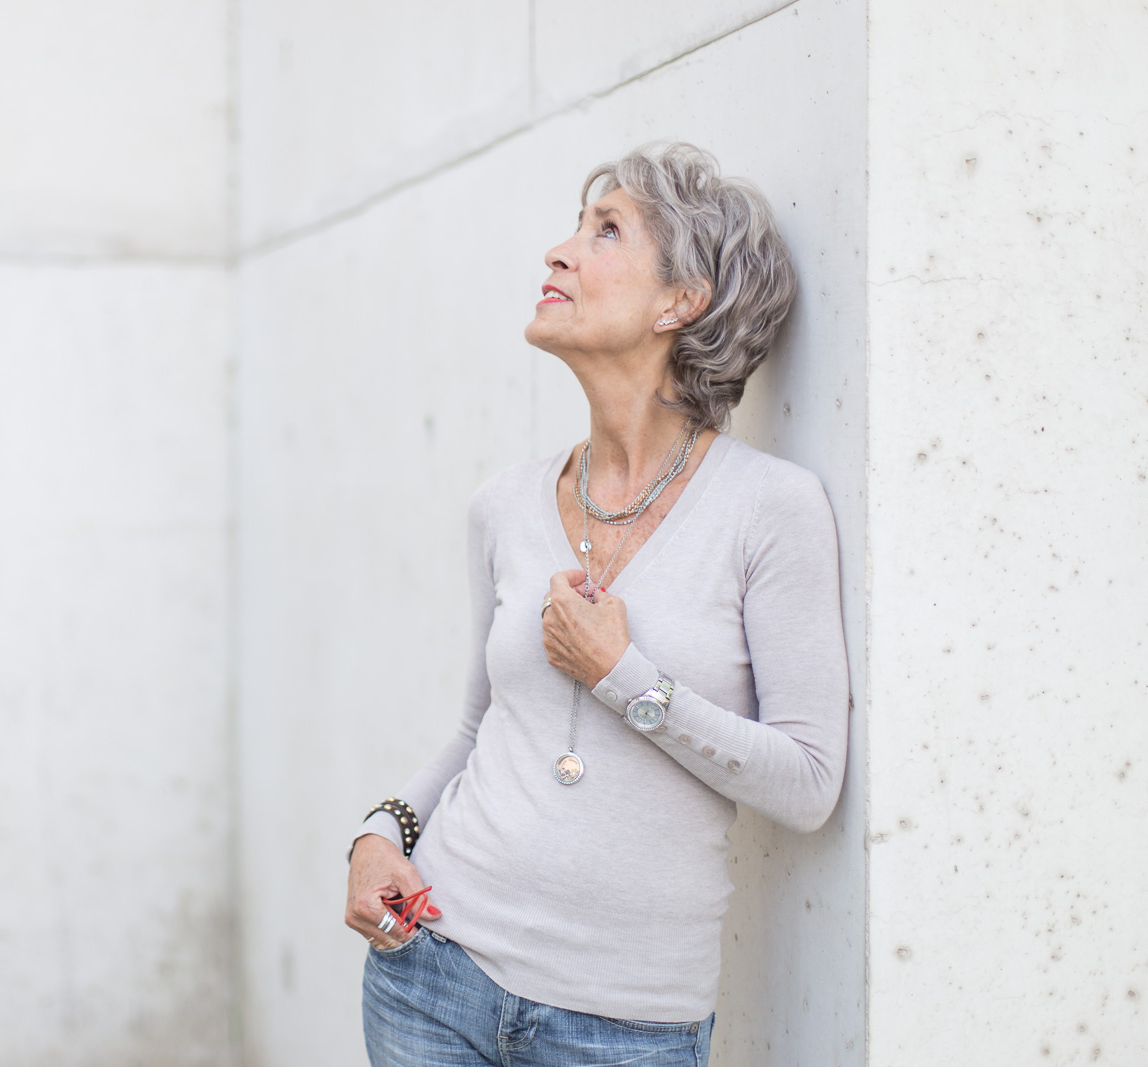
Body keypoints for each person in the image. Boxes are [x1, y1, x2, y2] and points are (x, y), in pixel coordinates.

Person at [343, 142, 849, 1066]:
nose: (559, 252)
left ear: (680, 300)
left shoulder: (770, 510)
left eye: (605, 230)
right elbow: (476, 727)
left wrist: (627, 678)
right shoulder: (503, 504)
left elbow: (811, 783)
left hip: (620, 1028)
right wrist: (379, 833)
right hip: (432, 975)